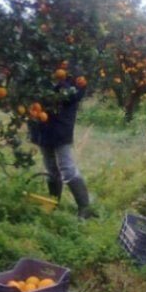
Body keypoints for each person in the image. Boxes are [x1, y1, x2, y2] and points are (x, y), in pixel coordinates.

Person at [28, 74, 94, 218]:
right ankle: (53, 203)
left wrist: (61, 84)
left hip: (60, 127)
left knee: (66, 167)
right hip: (41, 127)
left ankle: (84, 208)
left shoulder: (71, 77)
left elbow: (75, 95)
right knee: (51, 167)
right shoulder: (39, 71)